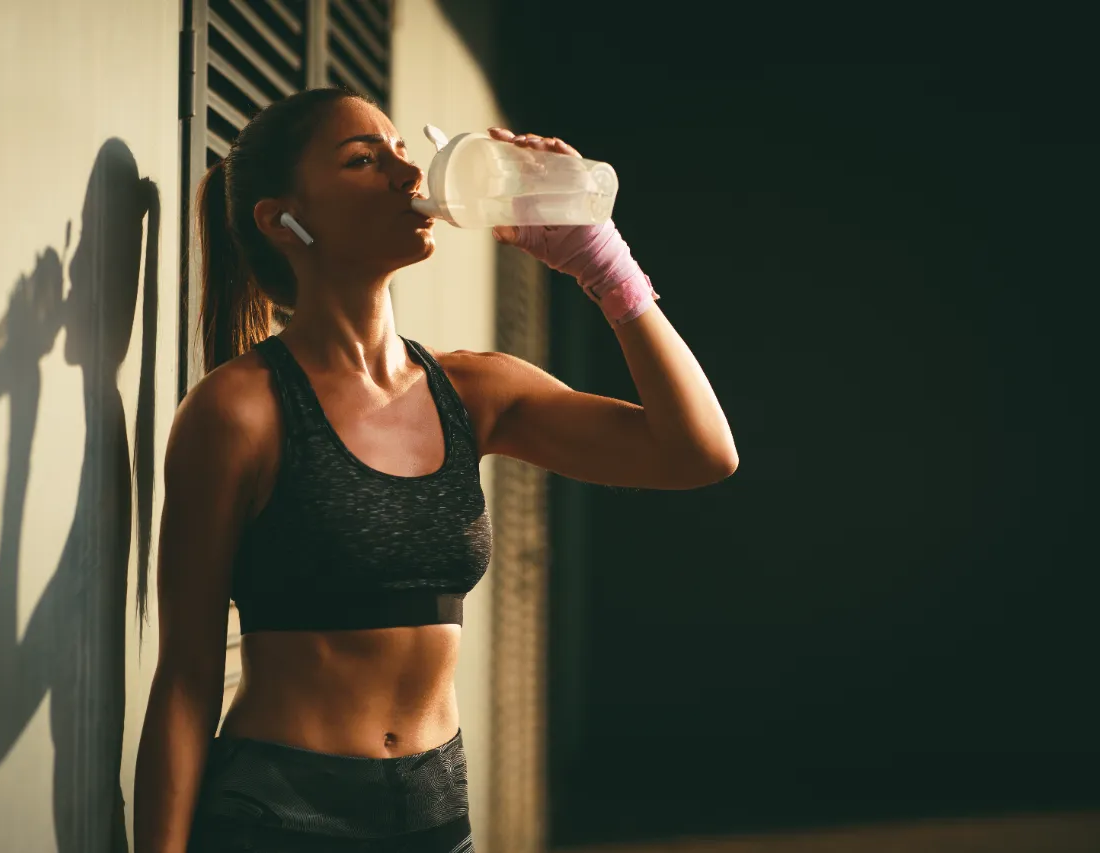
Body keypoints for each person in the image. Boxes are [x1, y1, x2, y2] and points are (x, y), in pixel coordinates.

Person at [133, 86, 737, 853]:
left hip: (436, 820)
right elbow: (184, 681)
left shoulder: (475, 390)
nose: (406, 173)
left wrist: (603, 262)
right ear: (283, 219)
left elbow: (699, 452)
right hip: (278, 818)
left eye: (401, 151)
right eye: (363, 159)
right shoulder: (238, 412)